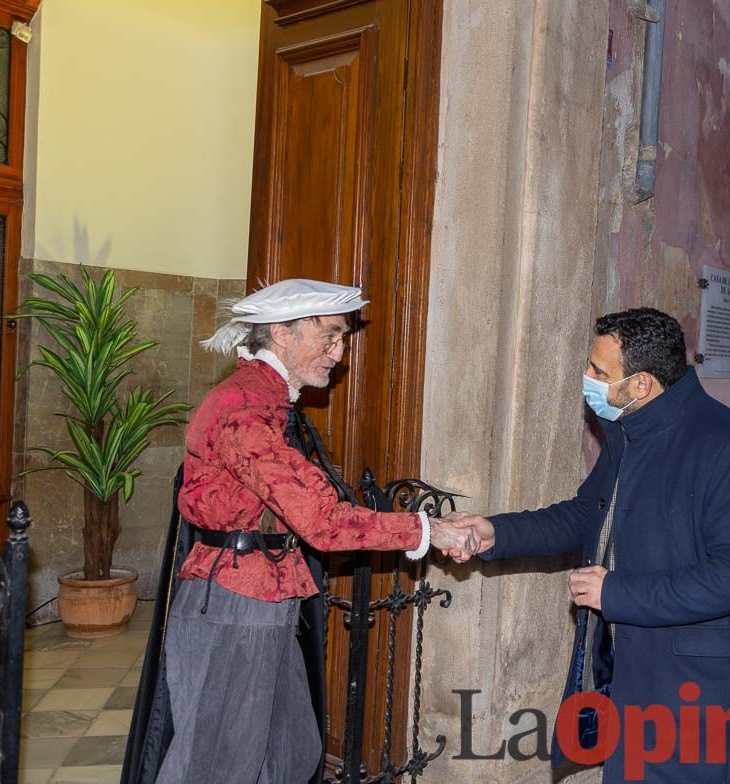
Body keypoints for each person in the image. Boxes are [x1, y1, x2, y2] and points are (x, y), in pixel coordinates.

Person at [123, 280, 477, 784]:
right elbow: (324, 521)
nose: (340, 351)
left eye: (344, 337)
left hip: (262, 598)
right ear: (281, 333)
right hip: (235, 601)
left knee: (291, 749)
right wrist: (429, 529)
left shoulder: (270, 401)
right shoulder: (244, 409)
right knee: (219, 765)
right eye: (330, 334)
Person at [444, 308, 730, 783]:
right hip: (631, 678)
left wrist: (616, 594)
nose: (587, 378)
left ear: (641, 384)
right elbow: (587, 515)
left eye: (600, 371)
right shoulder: (629, 432)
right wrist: (494, 532)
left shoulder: (728, 448)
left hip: (699, 698)